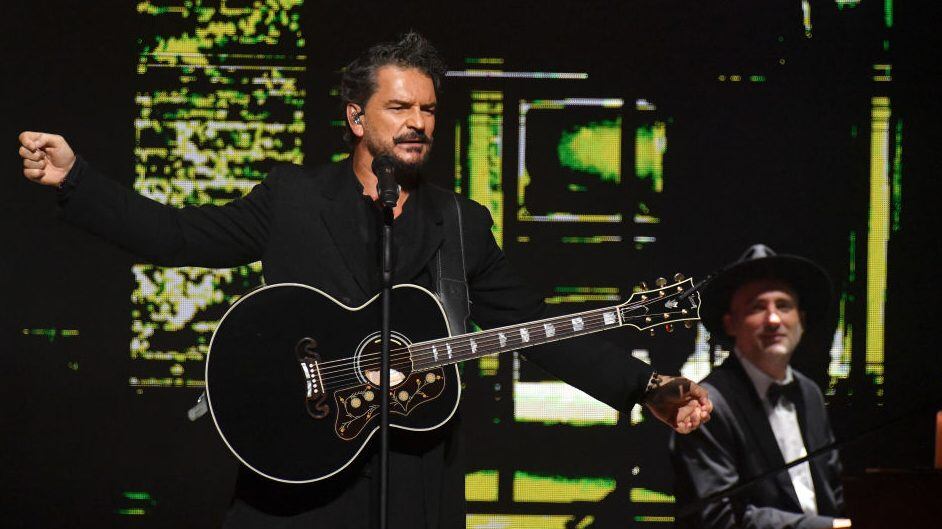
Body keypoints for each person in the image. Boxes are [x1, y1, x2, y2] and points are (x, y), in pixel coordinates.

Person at [19, 32, 712, 529]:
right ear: (356, 116)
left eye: (429, 110)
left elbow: (535, 326)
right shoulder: (291, 198)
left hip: (415, 484)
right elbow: (178, 237)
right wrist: (78, 179)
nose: (418, 123)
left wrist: (645, 385)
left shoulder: (461, 222)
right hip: (296, 473)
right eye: (400, 108)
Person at [669, 244, 851, 529]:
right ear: (731, 323)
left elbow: (833, 491)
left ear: (801, 320)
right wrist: (828, 527)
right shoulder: (707, 404)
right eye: (757, 307)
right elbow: (718, 519)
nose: (774, 320)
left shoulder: (810, 393)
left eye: (784, 306)